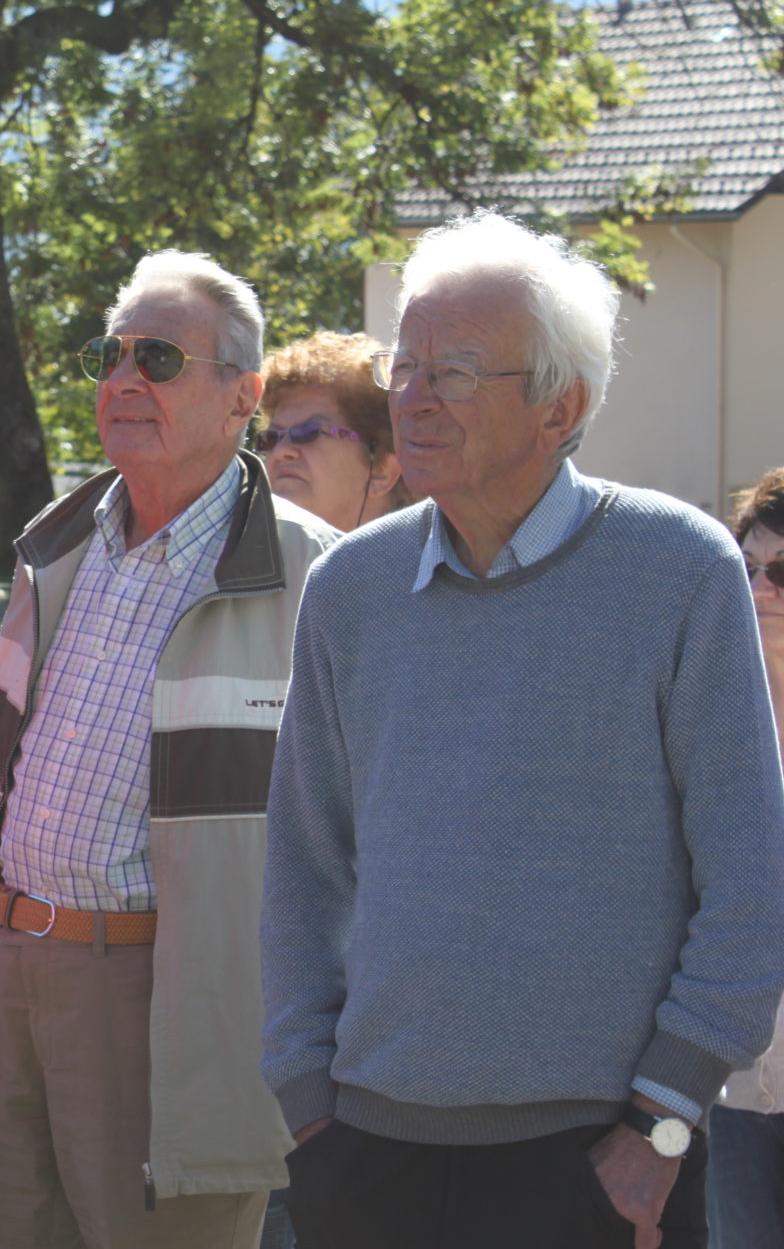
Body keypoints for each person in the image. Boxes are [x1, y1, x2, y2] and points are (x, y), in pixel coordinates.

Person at [261, 210, 784, 1249]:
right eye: (405, 366)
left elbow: (751, 875)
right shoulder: (350, 587)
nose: (412, 395)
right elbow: (304, 867)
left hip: (604, 1161)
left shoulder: (679, 569)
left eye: (455, 371)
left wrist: (660, 1125)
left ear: (563, 405)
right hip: (366, 1150)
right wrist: (307, 1101)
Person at [0, 250, 340, 1249]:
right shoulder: (58, 541)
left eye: (157, 357)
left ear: (243, 395)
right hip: (7, 976)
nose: (121, 380)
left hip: (166, 997)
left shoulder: (314, 574)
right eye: (106, 356)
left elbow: (362, 827)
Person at [707, 467, 784, 1249]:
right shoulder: (707, 713)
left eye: (782, 572)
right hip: (728, 1089)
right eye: (746, 566)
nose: (760, 588)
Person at [253, 331, 410, 531]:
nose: (282, 451)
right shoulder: (236, 558)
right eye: (271, 438)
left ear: (381, 470)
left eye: (309, 433)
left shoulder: (431, 560)